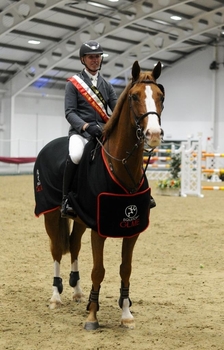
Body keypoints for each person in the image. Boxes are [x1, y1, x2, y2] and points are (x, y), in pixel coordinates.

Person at [61, 40, 117, 218]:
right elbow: (70, 112)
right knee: (76, 155)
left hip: (103, 131)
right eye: (91, 57)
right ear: (83, 59)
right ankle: (66, 199)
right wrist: (85, 126)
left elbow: (116, 109)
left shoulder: (107, 85)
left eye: (98, 57)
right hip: (81, 132)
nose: (95, 60)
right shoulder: (73, 84)